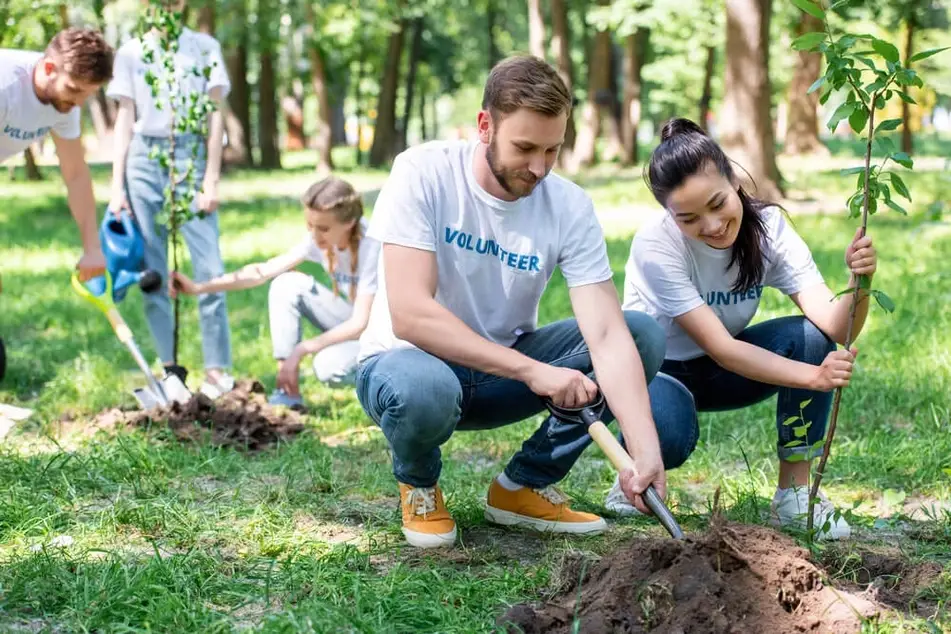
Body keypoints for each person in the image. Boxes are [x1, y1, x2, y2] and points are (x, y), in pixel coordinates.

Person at [355, 55, 686, 550]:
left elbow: (607, 335)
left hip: (495, 377)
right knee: (424, 389)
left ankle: (522, 487)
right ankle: (420, 486)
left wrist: (644, 452)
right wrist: (533, 372)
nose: (538, 168)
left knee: (640, 334)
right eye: (525, 147)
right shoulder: (422, 172)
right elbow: (411, 315)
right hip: (406, 367)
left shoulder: (568, 204)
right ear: (485, 126)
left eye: (553, 150)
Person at [612, 117, 876, 540]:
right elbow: (722, 348)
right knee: (672, 437)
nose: (712, 226)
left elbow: (834, 325)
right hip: (657, 373)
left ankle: (793, 495)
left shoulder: (769, 229)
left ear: (734, 180)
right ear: (669, 215)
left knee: (810, 337)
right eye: (689, 218)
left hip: (721, 374)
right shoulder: (656, 246)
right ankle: (635, 466)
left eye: (718, 204)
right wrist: (815, 377)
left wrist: (859, 281)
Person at [107, 1, 234, 398]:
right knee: (153, 273)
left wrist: (211, 178)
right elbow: (125, 119)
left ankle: (218, 372)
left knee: (209, 266)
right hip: (144, 159)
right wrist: (116, 188)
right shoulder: (131, 52)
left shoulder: (203, 47)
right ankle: (170, 370)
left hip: (192, 155)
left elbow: (215, 114)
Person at [170, 176, 379, 406]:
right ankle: (287, 392)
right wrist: (200, 288)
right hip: (353, 319)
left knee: (328, 366)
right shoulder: (320, 240)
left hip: (382, 335)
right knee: (285, 284)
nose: (315, 235)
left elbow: (361, 323)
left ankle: (386, 390)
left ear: (349, 222)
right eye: (310, 226)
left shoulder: (372, 244)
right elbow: (262, 271)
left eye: (323, 228)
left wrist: (301, 350)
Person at [1, 27, 113, 282]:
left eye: (87, 94)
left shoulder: (65, 103)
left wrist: (93, 249)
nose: (79, 104)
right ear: (49, 69)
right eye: (74, 90)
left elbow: (75, 175)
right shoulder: (5, 87)